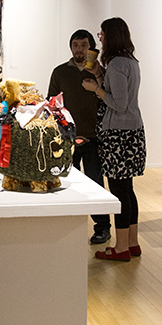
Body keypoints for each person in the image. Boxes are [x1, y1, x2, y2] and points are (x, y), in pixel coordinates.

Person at [83, 18, 146, 261]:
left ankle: (121, 248)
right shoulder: (129, 62)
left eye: (101, 34)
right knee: (127, 189)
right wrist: (99, 75)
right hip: (132, 132)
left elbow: (118, 104)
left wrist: (95, 89)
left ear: (111, 36)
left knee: (119, 191)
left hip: (119, 135)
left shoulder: (118, 65)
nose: (99, 38)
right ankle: (132, 243)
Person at [48, 29, 111, 244]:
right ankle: (66, 226)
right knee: (65, 181)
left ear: (91, 48)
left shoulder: (99, 72)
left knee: (95, 182)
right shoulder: (59, 72)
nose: (79, 49)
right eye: (76, 45)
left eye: (84, 45)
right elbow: (52, 102)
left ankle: (102, 227)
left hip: (94, 137)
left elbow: (108, 101)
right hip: (67, 137)